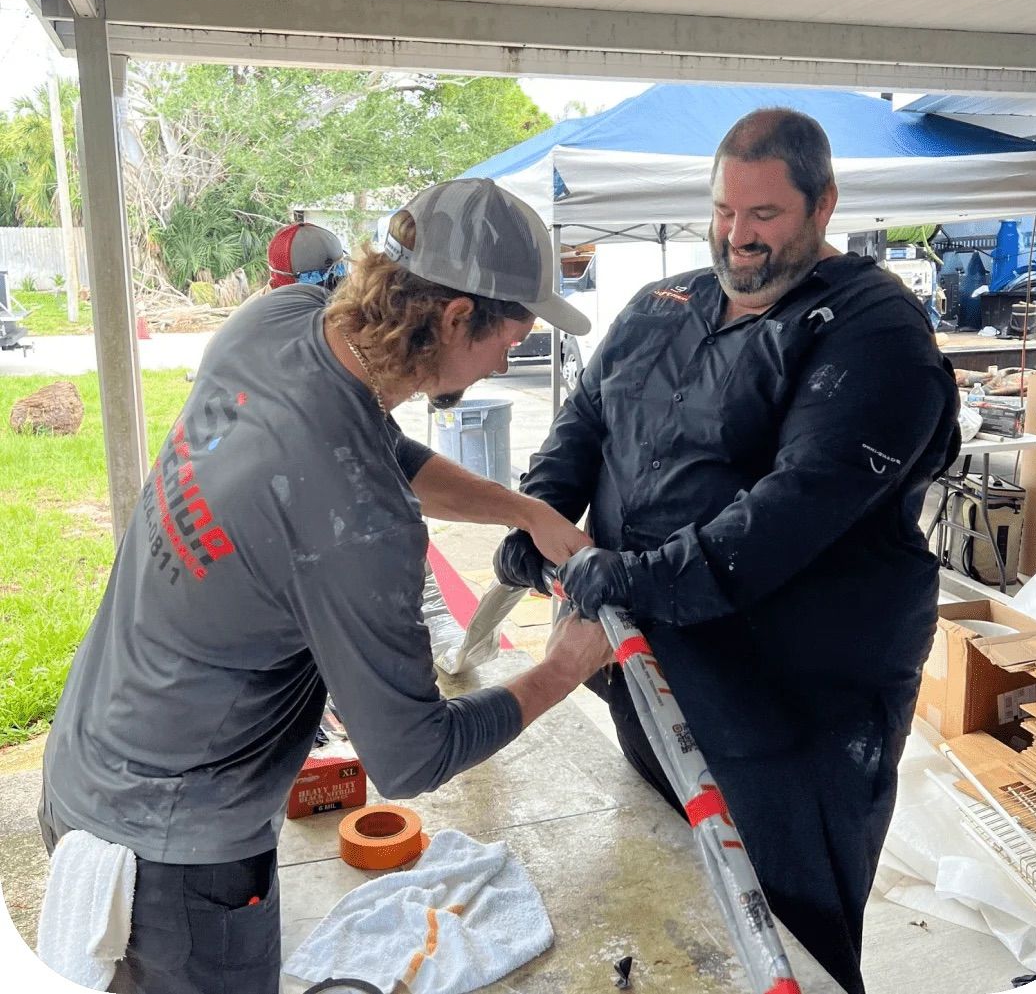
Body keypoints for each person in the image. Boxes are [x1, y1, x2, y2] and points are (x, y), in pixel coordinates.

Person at [38, 178, 609, 994]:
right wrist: (562, 668)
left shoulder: (274, 325)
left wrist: (519, 509)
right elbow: (412, 755)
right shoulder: (364, 529)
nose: (508, 360)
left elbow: (374, 450)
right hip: (178, 858)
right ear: (454, 319)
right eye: (510, 338)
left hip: (85, 759)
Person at [494, 109, 961, 994]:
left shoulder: (873, 332)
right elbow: (585, 423)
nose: (737, 237)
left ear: (822, 204)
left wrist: (624, 577)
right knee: (679, 897)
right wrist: (541, 517)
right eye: (722, 211)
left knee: (791, 937)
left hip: (796, 708)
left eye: (764, 216)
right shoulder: (660, 307)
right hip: (658, 673)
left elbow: (794, 508)